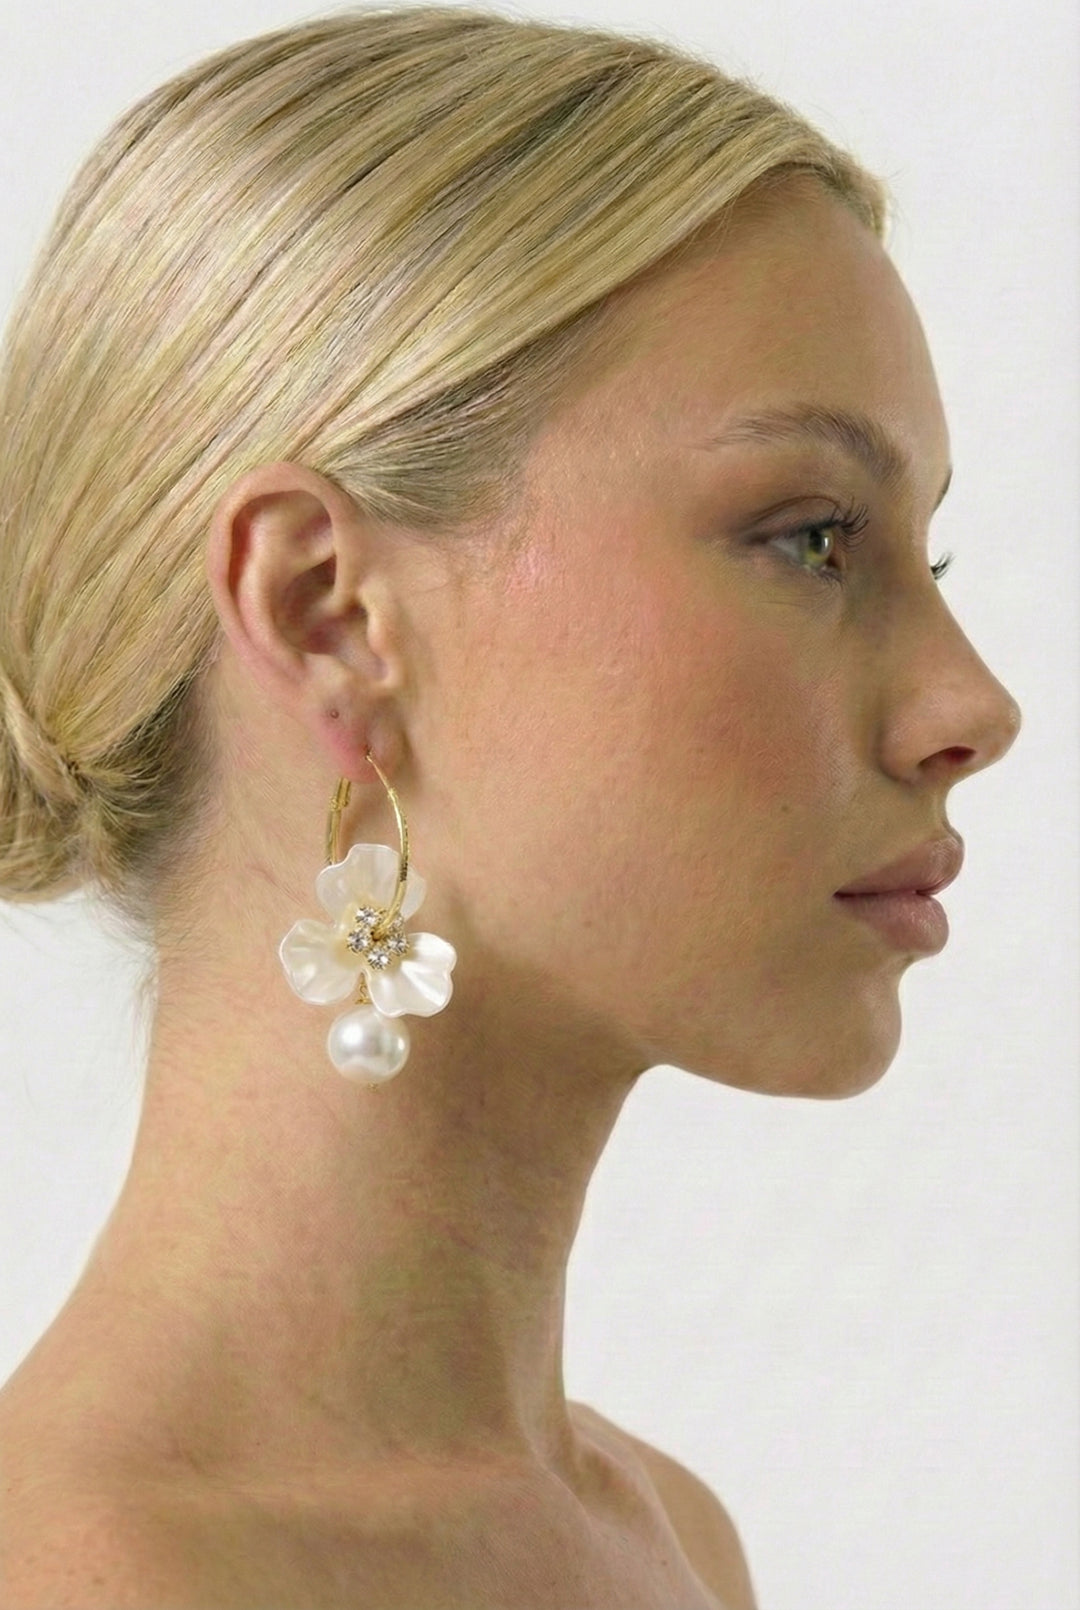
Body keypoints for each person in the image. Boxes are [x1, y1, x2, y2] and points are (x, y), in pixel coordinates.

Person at [0, 6, 1021, 1607]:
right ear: (329, 612)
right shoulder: (87, 1579)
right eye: (815, 537)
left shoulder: (665, 1539)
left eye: (925, 558)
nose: (973, 705)